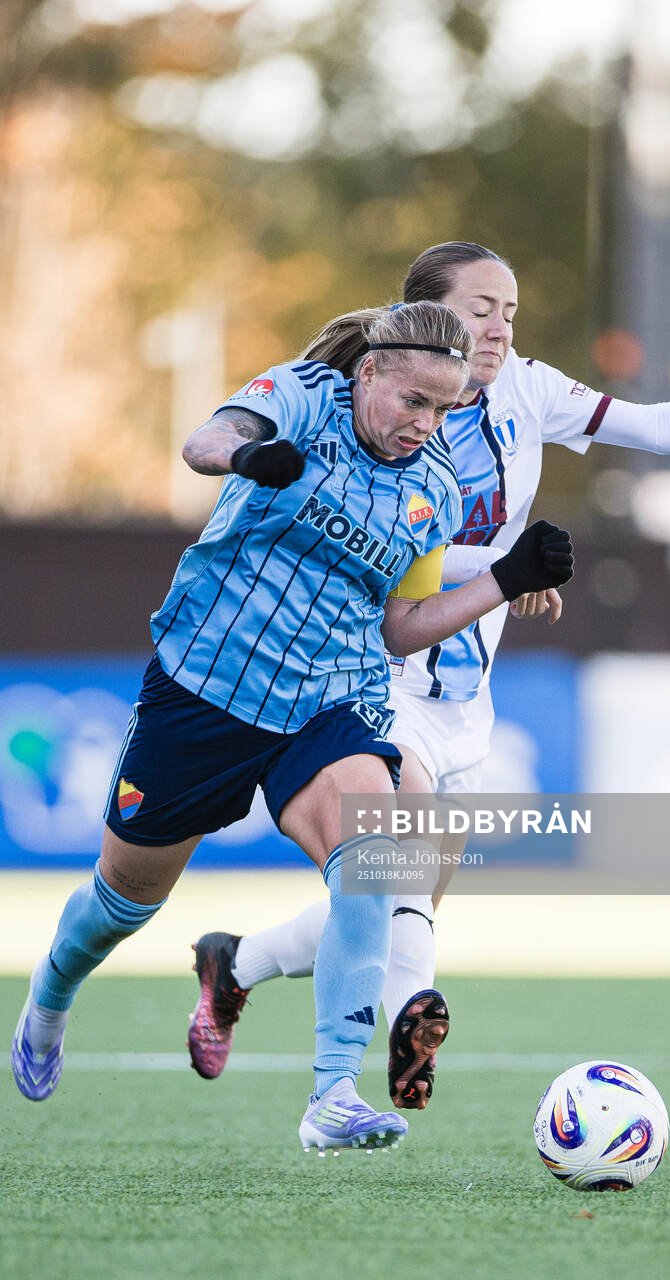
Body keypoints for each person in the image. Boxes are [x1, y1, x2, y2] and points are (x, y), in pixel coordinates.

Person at [185, 241, 670, 1110]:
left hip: (465, 691)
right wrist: (501, 570)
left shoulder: (528, 389)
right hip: (375, 671)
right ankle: (404, 1020)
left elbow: (647, 425)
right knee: (396, 865)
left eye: (510, 310)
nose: (498, 326)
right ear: (425, 315)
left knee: (397, 893)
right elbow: (378, 535)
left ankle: (238, 962)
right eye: (480, 307)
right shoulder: (372, 410)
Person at [9, 298, 576, 1157]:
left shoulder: (435, 487)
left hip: (327, 697)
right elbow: (204, 441)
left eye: (444, 409)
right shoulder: (304, 396)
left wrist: (502, 579)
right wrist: (249, 454)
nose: (424, 424)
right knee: (121, 906)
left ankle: (334, 1093)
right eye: (412, 401)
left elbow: (398, 625)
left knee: (373, 864)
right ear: (369, 373)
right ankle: (49, 999)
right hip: (207, 685)